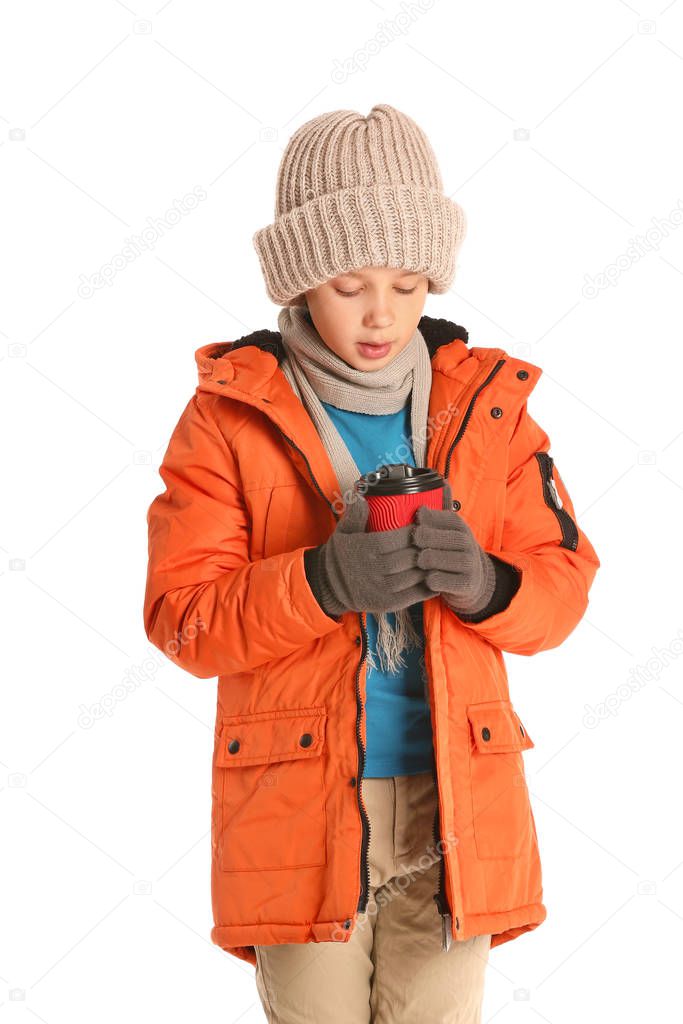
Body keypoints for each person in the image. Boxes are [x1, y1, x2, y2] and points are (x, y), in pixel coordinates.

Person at [143, 103, 601, 1023]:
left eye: (405, 281)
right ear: (302, 279)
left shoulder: (491, 406)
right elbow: (183, 619)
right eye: (349, 284)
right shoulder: (228, 415)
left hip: (456, 799)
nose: (382, 312)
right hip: (294, 801)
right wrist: (321, 582)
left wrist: (487, 584)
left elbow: (561, 585)